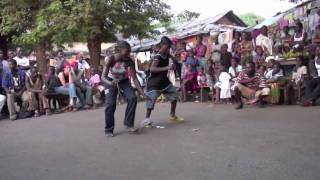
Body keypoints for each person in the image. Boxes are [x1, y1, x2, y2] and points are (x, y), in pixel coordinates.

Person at [102, 41, 147, 137]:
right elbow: (103, 77)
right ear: (119, 50)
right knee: (110, 104)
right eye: (126, 52)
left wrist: (142, 93)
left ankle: (129, 124)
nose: (128, 54)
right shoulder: (111, 59)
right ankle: (109, 129)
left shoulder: (129, 61)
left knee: (132, 98)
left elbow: (134, 78)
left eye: (129, 52)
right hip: (110, 81)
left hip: (124, 81)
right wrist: (111, 83)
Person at [142, 36, 183, 127]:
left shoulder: (167, 54)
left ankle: (172, 116)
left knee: (174, 95)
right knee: (151, 101)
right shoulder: (158, 56)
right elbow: (152, 69)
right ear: (162, 45)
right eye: (167, 46)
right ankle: (146, 119)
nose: (168, 48)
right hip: (154, 83)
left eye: (169, 47)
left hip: (164, 81)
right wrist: (167, 67)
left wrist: (175, 59)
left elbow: (173, 58)